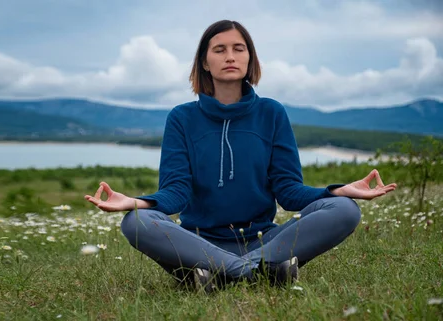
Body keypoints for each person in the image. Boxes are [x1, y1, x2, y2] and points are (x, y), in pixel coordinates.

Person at [84, 20, 397, 292]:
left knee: (344, 209)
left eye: (239, 48)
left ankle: (221, 274)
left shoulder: (271, 113)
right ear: (204, 62)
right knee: (136, 222)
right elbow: (175, 193)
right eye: (219, 50)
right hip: (198, 244)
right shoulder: (181, 118)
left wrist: (338, 190)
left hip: (264, 240)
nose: (230, 56)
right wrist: (134, 203)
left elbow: (289, 192)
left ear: (250, 58)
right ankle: (257, 272)